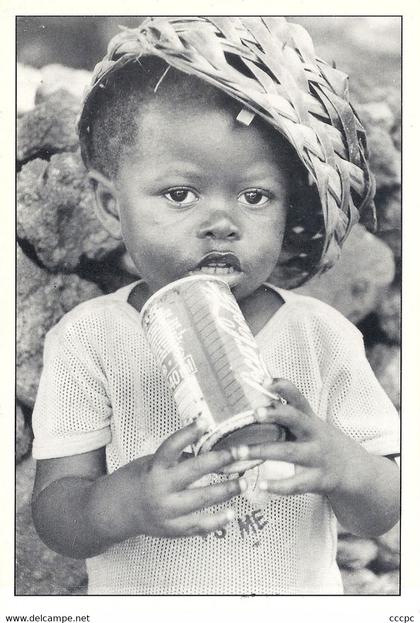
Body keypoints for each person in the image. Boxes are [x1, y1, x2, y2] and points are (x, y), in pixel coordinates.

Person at [31, 17, 400, 595]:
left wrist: (343, 466)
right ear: (109, 204)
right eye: (180, 195)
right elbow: (55, 515)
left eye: (256, 196)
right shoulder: (88, 340)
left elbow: (381, 512)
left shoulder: (322, 337)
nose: (222, 224)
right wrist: (124, 503)